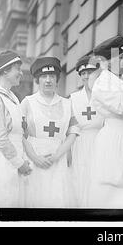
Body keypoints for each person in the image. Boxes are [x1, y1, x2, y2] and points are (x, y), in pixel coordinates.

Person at [87, 36, 123, 209]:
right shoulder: (101, 84)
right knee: (113, 195)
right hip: (115, 144)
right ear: (106, 62)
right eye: (121, 57)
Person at [21, 57, 79, 208]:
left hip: (58, 159)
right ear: (37, 80)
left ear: (57, 79)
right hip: (34, 159)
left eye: (52, 76)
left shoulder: (67, 104)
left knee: (57, 200)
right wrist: (35, 158)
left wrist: (56, 156)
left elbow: (73, 133)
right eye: (43, 77)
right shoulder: (28, 102)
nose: (48, 80)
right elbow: (19, 134)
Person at [0, 50, 32, 208]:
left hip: (13, 164)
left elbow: (17, 134)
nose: (21, 73)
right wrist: (19, 163)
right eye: (17, 69)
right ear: (5, 70)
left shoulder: (12, 98)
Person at [69, 55, 104, 207]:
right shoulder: (74, 98)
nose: (86, 76)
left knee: (98, 178)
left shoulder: (103, 95)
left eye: (89, 72)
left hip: (100, 141)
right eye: (83, 73)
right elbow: (69, 126)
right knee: (79, 178)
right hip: (80, 142)